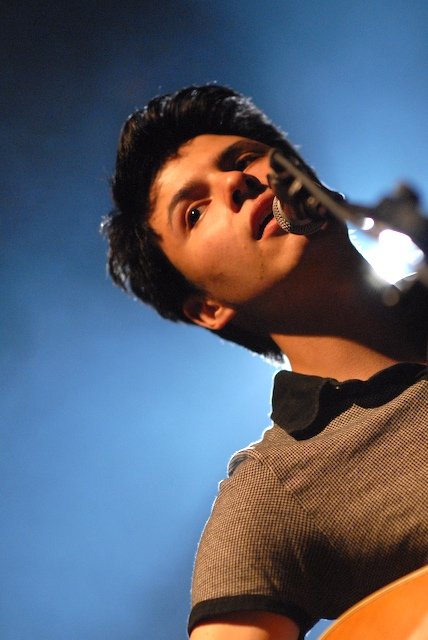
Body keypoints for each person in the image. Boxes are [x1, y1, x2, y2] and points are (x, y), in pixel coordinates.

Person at [102, 84, 428, 639]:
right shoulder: (272, 491)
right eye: (195, 211)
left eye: (243, 159)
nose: (236, 182)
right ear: (209, 307)